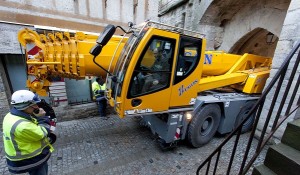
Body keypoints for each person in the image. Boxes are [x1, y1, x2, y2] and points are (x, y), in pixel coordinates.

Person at [2, 90, 55, 175]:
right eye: (34, 104)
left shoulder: (10, 116)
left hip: (22, 159)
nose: (37, 106)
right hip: (30, 161)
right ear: (25, 106)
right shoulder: (23, 126)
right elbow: (42, 133)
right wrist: (42, 118)